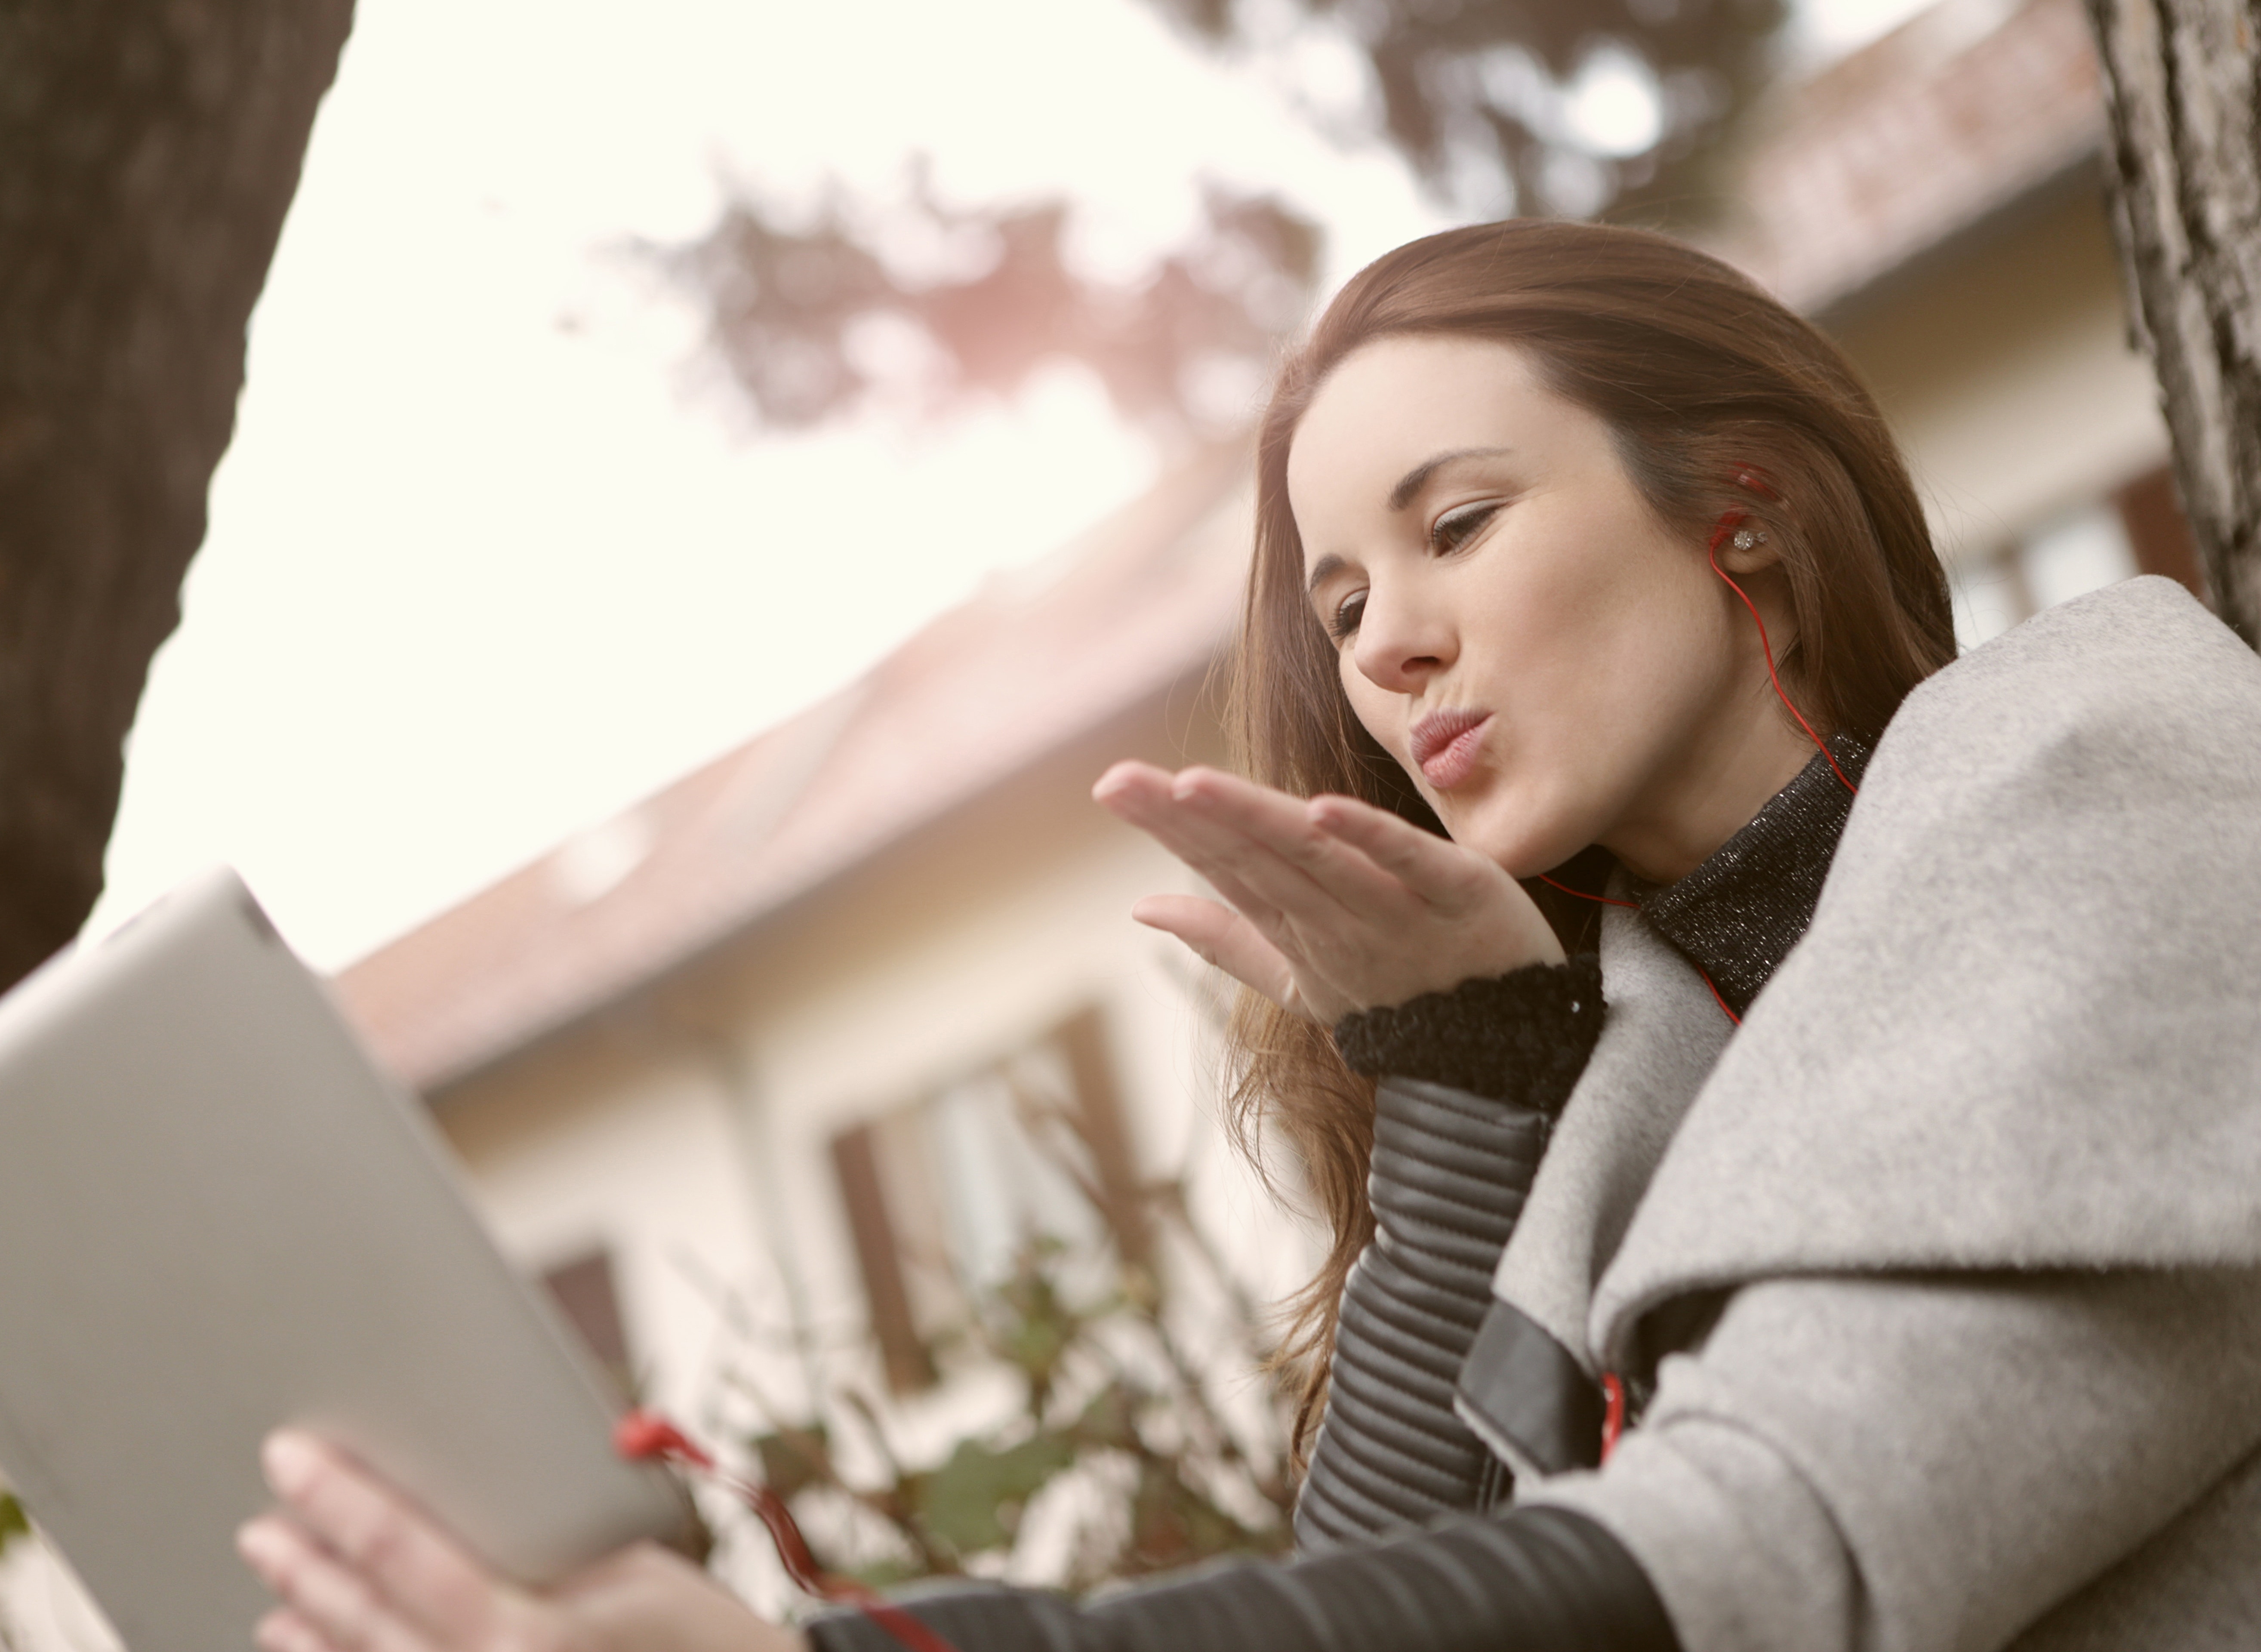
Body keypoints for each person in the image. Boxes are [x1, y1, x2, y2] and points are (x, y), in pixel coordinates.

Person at [234, 220, 2261, 1652]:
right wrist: (1468, 1095)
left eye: (1455, 524)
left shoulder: (2090, 756)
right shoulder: (1622, 1056)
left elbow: (1767, 1549)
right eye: (1343, 592)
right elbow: (1395, 1569)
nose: (1386, 641)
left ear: (1738, 502)